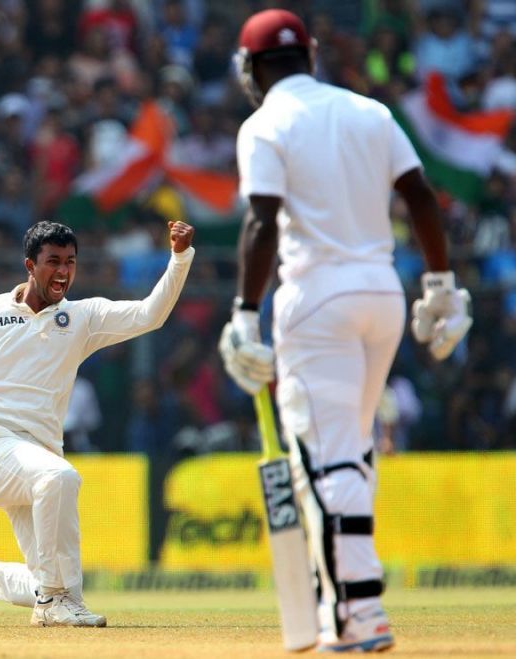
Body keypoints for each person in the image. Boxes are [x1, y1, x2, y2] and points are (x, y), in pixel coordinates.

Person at [218, 9, 472, 654]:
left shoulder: (264, 125)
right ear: (309, 53)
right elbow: (420, 196)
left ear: (250, 69)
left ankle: (361, 612)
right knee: (350, 452)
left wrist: (245, 312)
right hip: (382, 294)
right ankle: (342, 603)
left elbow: (262, 222)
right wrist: (439, 284)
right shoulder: (370, 112)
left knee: (327, 460)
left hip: (315, 302)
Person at [0, 219, 195, 628]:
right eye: (53, 262)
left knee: (51, 580)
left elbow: (151, 314)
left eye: (70, 262)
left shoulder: (82, 318)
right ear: (29, 264)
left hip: (37, 455)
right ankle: (52, 604)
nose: (63, 272)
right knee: (60, 479)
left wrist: (179, 258)